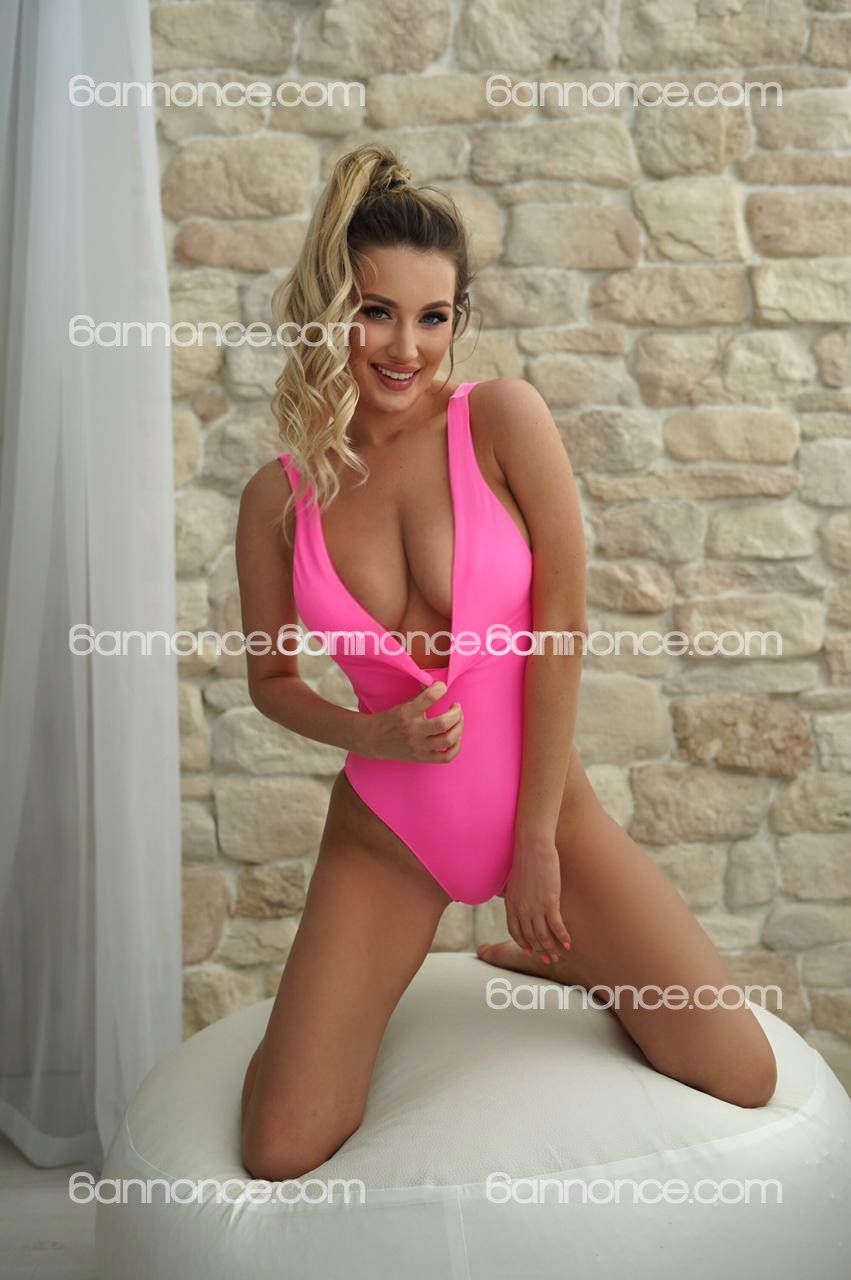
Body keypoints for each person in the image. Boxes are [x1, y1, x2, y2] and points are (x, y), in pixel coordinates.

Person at [235, 143, 777, 1182]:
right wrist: (370, 731)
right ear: (330, 312)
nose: (405, 347)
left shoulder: (499, 420)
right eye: (375, 312)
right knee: (279, 1144)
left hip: (545, 814)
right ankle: (311, 1024)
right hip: (389, 835)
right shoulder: (279, 496)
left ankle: (562, 955)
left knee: (738, 1069)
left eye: (433, 316)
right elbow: (271, 683)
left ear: (457, 321)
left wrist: (534, 843)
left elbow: (562, 622)